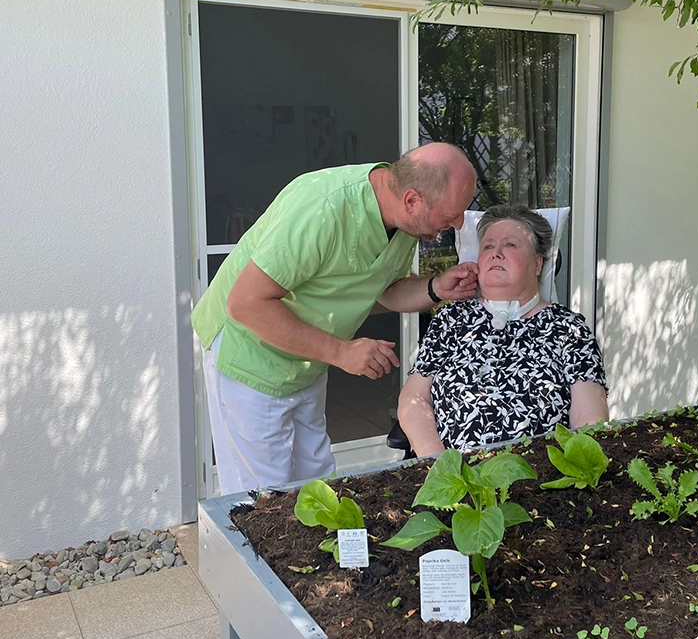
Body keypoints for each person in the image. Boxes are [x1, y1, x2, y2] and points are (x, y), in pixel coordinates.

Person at [192, 143, 479, 495]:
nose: (459, 223)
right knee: (262, 501)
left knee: (317, 482)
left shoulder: (406, 223)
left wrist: (435, 287)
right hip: (248, 352)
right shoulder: (322, 208)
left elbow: (385, 287)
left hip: (308, 356)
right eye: (452, 214)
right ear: (412, 201)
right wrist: (342, 352)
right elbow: (246, 303)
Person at [399, 204, 609, 456]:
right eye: (488, 246)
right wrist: (439, 465)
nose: (496, 253)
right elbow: (413, 400)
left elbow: (590, 418)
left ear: (537, 264)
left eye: (510, 245)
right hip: (455, 480)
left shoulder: (568, 329)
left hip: (537, 480)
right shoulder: (451, 319)